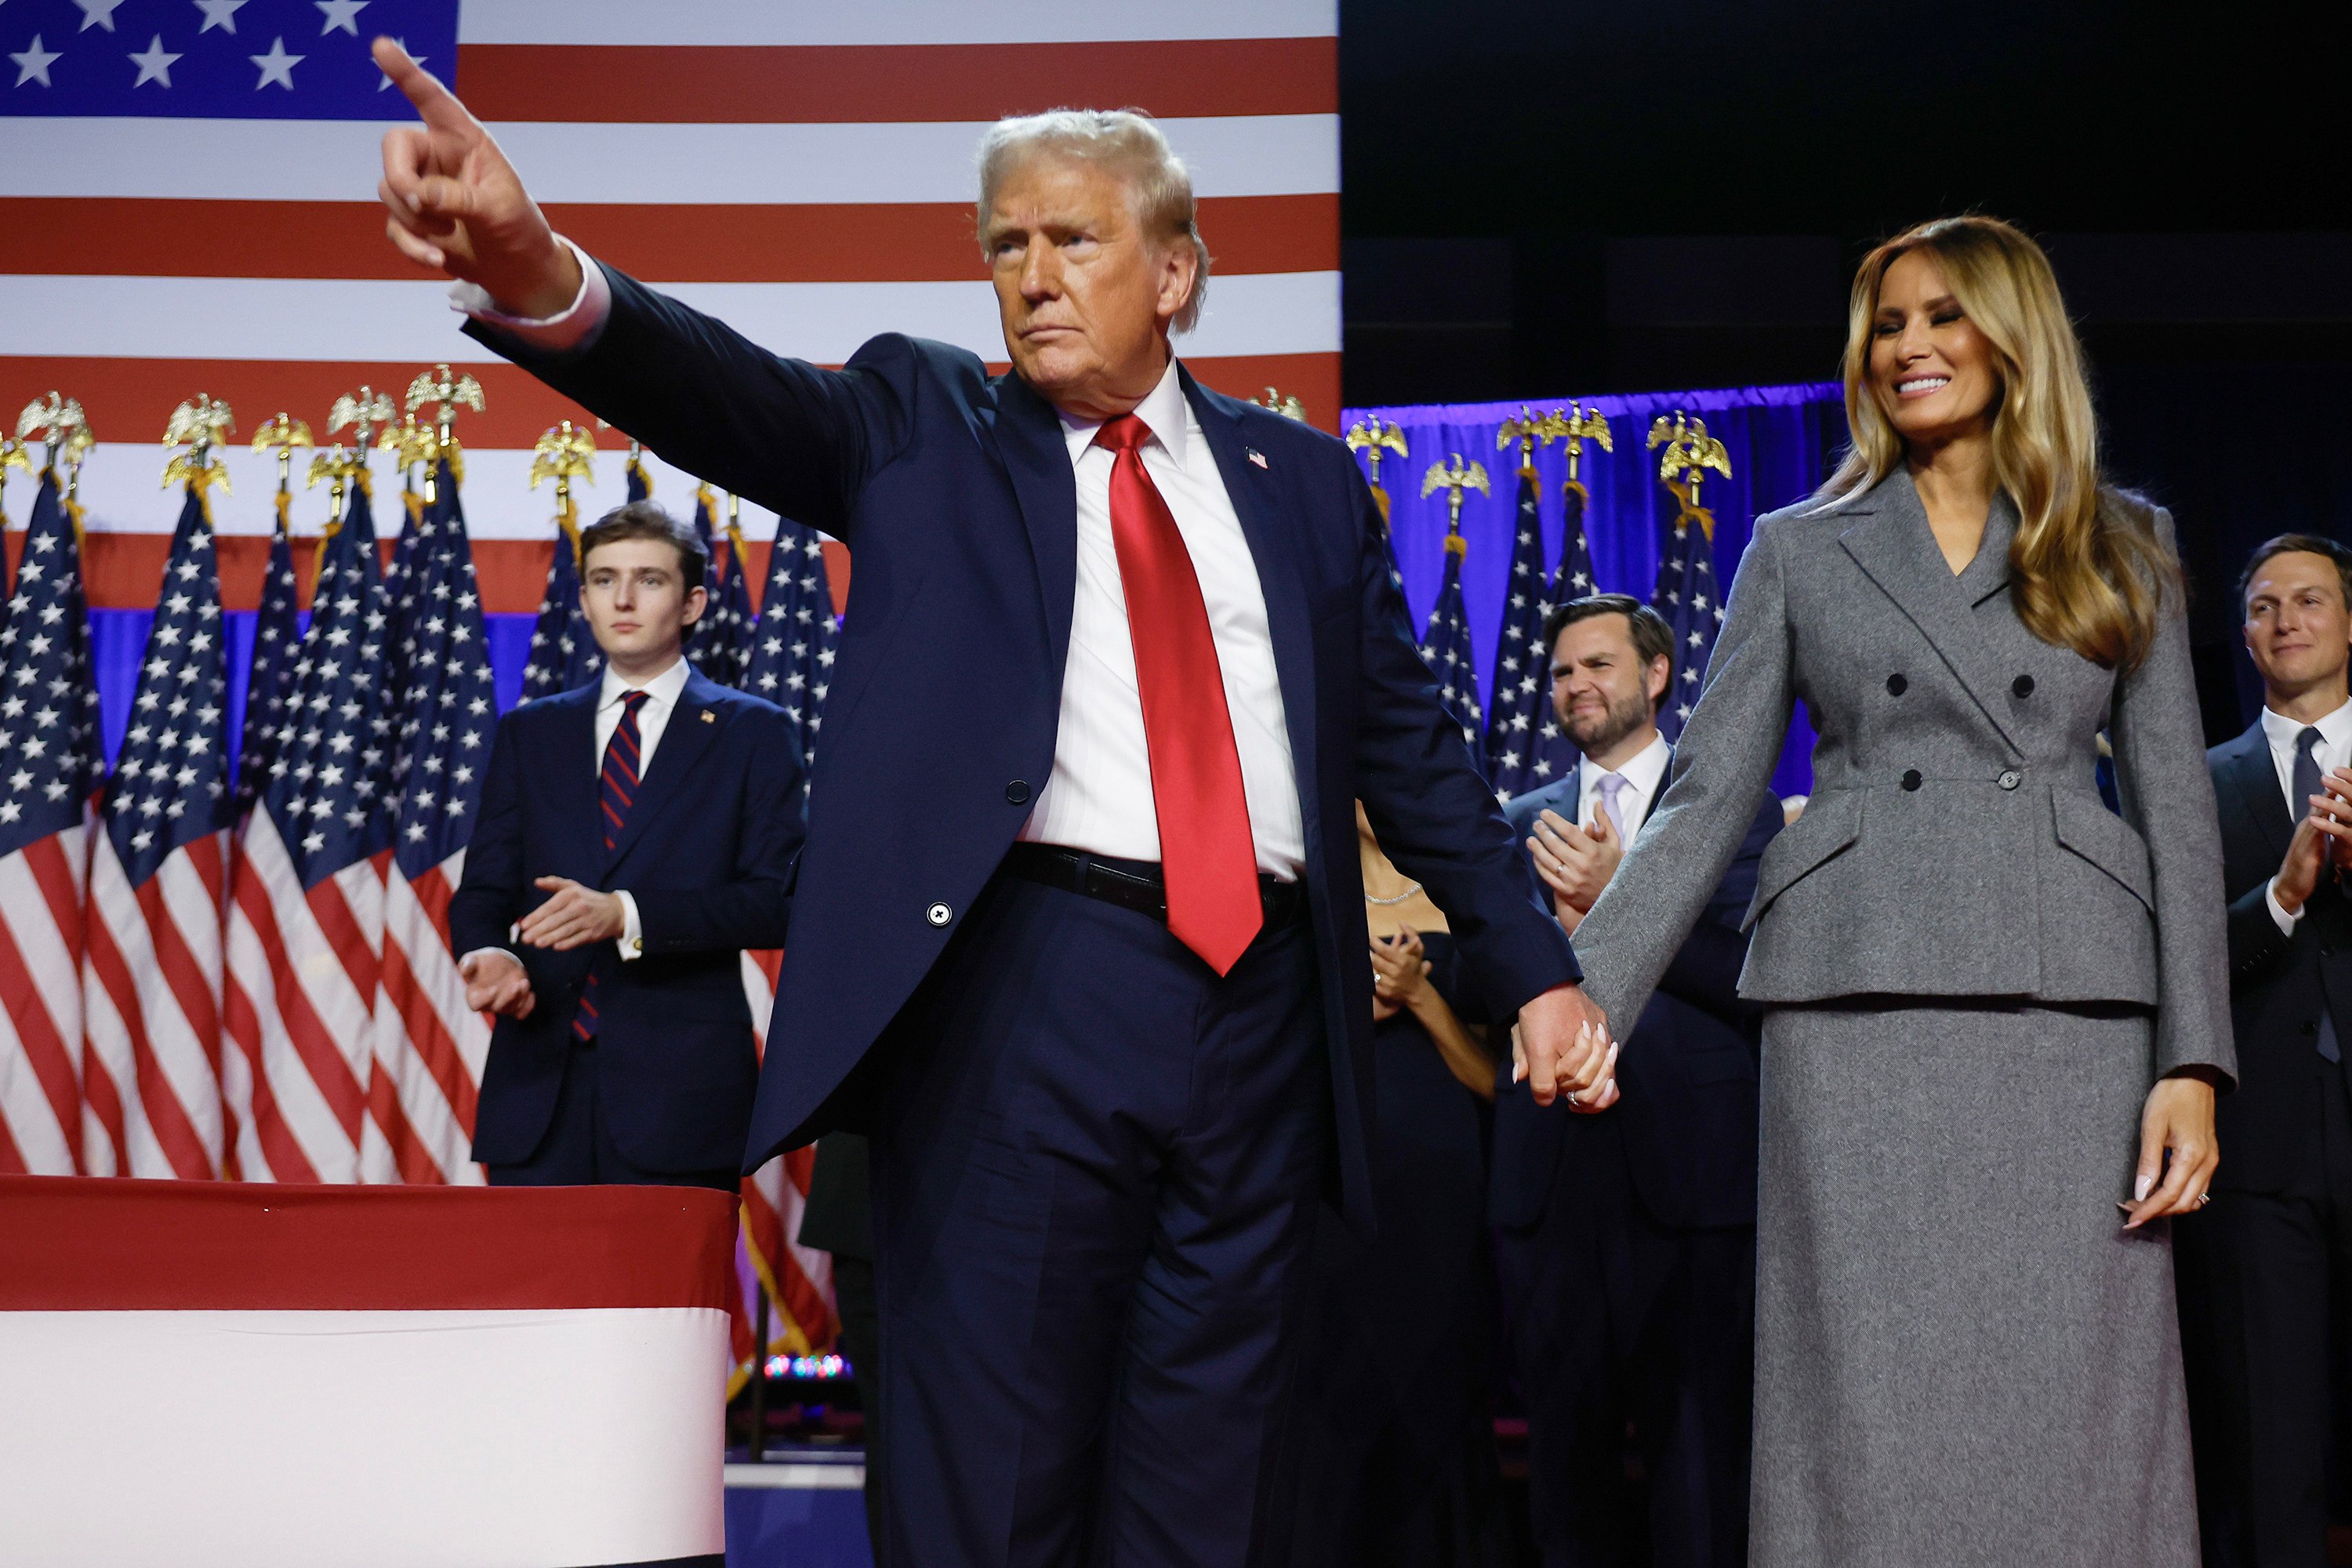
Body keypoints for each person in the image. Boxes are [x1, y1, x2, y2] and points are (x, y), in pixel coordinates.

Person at [372, 42, 1603, 1567]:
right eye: (1005, 245)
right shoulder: (921, 424)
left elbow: (1412, 759)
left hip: (1272, 1018)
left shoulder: (1301, 484)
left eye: (1071, 239)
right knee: (996, 1489)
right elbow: (723, 395)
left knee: (1209, 1493)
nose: (1030, 275)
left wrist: (1536, 975)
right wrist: (543, 269)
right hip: (1028, 992)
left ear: (1178, 273)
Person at [1559, 216, 2234, 1566]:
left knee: (2076, 1399)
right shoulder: (1800, 547)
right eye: (1887, 323)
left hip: (2073, 1015)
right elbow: (1704, 799)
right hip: (1854, 1008)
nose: (1910, 346)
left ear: (2013, 336)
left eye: (1942, 316)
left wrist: (2195, 1061)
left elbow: (2178, 812)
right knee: (1862, 1399)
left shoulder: (2126, 539)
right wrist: (1588, 998)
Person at [1497, 594, 1781, 1568]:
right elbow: (1482, 980)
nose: (1576, 684)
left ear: (1657, 676)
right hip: (1552, 1183)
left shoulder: (1728, 812)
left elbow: (1756, 976)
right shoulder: (1518, 823)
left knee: (1697, 1467)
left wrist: (1620, 902)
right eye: (1563, 670)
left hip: (1691, 1184)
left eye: (1599, 665)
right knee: (1566, 1478)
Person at [451, 501, 805, 1190]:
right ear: (581, 598)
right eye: (603, 579)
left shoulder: (752, 733)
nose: (622, 598)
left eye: (648, 580)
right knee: (535, 1299)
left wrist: (628, 916)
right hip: (537, 1095)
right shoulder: (531, 732)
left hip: (682, 1102)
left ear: (693, 601)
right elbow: (485, 889)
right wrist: (489, 954)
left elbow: (779, 903)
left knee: (667, 1299)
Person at [2176, 534, 2352, 1567]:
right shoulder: (2195, 782)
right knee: (2270, 1444)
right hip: (2260, 1146)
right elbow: (2177, 955)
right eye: (2262, 605)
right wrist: (2285, 894)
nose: (2284, 620)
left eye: (2310, 600)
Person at [1284, 804, 1510, 1568]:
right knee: (1331, 1392)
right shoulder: (1300, 890)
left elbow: (1496, 1083)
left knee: (1436, 1388)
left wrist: (1420, 995)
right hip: (1329, 1186)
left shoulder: (1462, 896)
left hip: (1441, 1194)